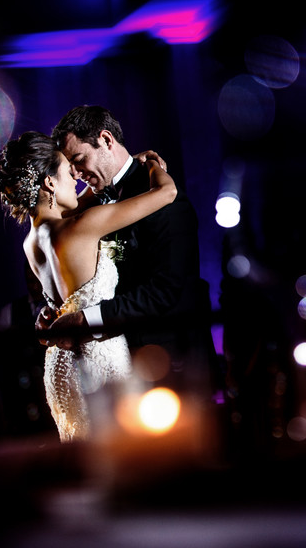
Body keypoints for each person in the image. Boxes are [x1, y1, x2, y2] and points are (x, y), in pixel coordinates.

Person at [0, 131, 176, 442]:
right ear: (49, 182)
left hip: (59, 369)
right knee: (122, 455)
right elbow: (166, 193)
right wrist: (152, 166)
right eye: (66, 170)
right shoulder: (82, 227)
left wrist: (124, 168)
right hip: (99, 360)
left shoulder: (31, 242)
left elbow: (74, 207)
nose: (75, 178)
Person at [41, 105, 217, 403]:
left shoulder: (161, 196)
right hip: (120, 368)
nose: (76, 172)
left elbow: (164, 291)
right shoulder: (93, 204)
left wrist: (87, 320)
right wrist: (63, 309)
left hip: (172, 363)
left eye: (79, 159)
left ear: (106, 140)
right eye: (69, 165)